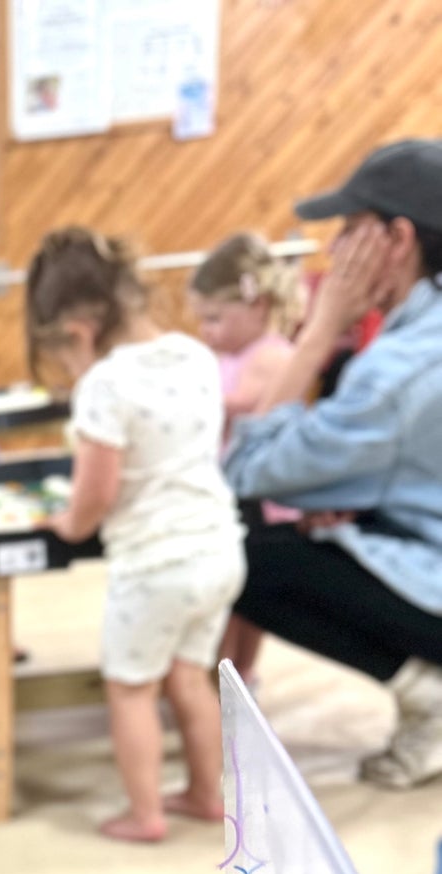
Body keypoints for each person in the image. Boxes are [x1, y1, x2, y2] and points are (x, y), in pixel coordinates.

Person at [224, 141, 442, 788]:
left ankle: (428, 696)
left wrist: (317, 331)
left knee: (241, 548)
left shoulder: (396, 370)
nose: (333, 251)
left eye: (348, 230)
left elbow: (246, 469)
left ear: (395, 239)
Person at [25, 228, 245, 841]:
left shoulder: (105, 384)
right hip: (220, 547)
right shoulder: (195, 354)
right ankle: (206, 793)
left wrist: (68, 524)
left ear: (78, 332)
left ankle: (145, 814)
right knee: (188, 676)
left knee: (130, 687)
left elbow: (94, 496)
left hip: (157, 566)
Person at [189, 232, 303, 683]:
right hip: (231, 491)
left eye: (215, 318)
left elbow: (249, 407)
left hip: (261, 502)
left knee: (247, 597)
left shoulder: (271, 355)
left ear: (258, 306)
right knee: (230, 597)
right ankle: (223, 670)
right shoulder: (228, 354)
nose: (206, 331)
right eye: (202, 320)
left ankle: (241, 671)